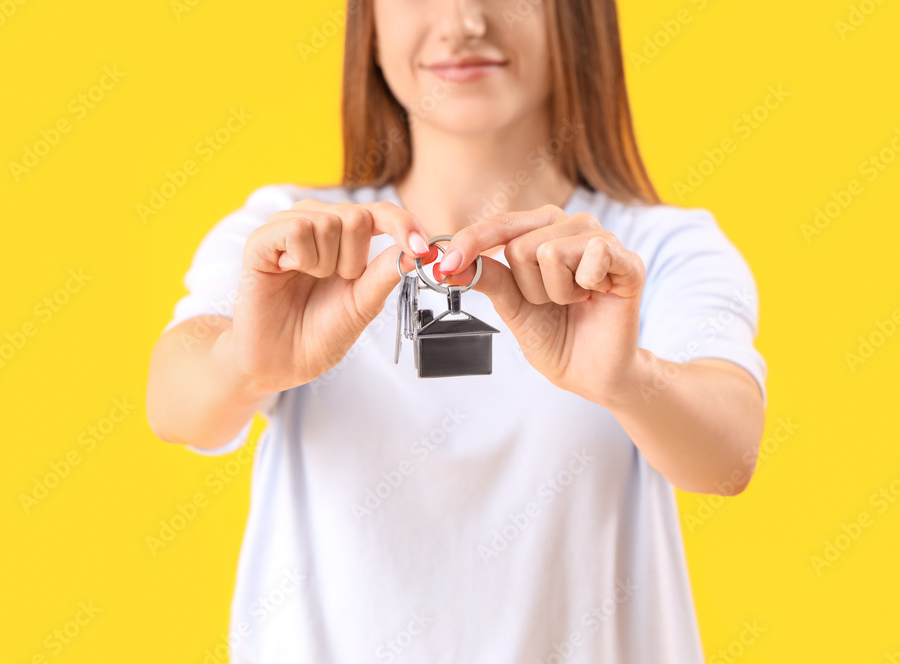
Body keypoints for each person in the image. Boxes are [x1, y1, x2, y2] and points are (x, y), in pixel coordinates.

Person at [146, 0, 767, 661]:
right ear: (370, 23)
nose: (465, 20)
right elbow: (175, 406)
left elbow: (729, 456)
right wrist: (249, 363)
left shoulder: (653, 251)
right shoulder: (285, 238)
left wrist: (625, 379)